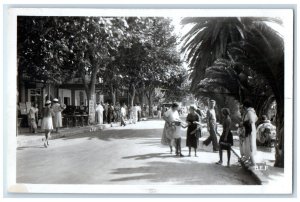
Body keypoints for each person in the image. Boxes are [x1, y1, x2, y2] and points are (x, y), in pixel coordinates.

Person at [242, 100, 258, 166]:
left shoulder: (249, 112)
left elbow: (251, 120)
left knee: (250, 144)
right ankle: (250, 161)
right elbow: (256, 118)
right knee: (249, 144)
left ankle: (253, 163)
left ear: (245, 106)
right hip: (251, 129)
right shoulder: (252, 111)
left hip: (250, 130)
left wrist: (244, 123)